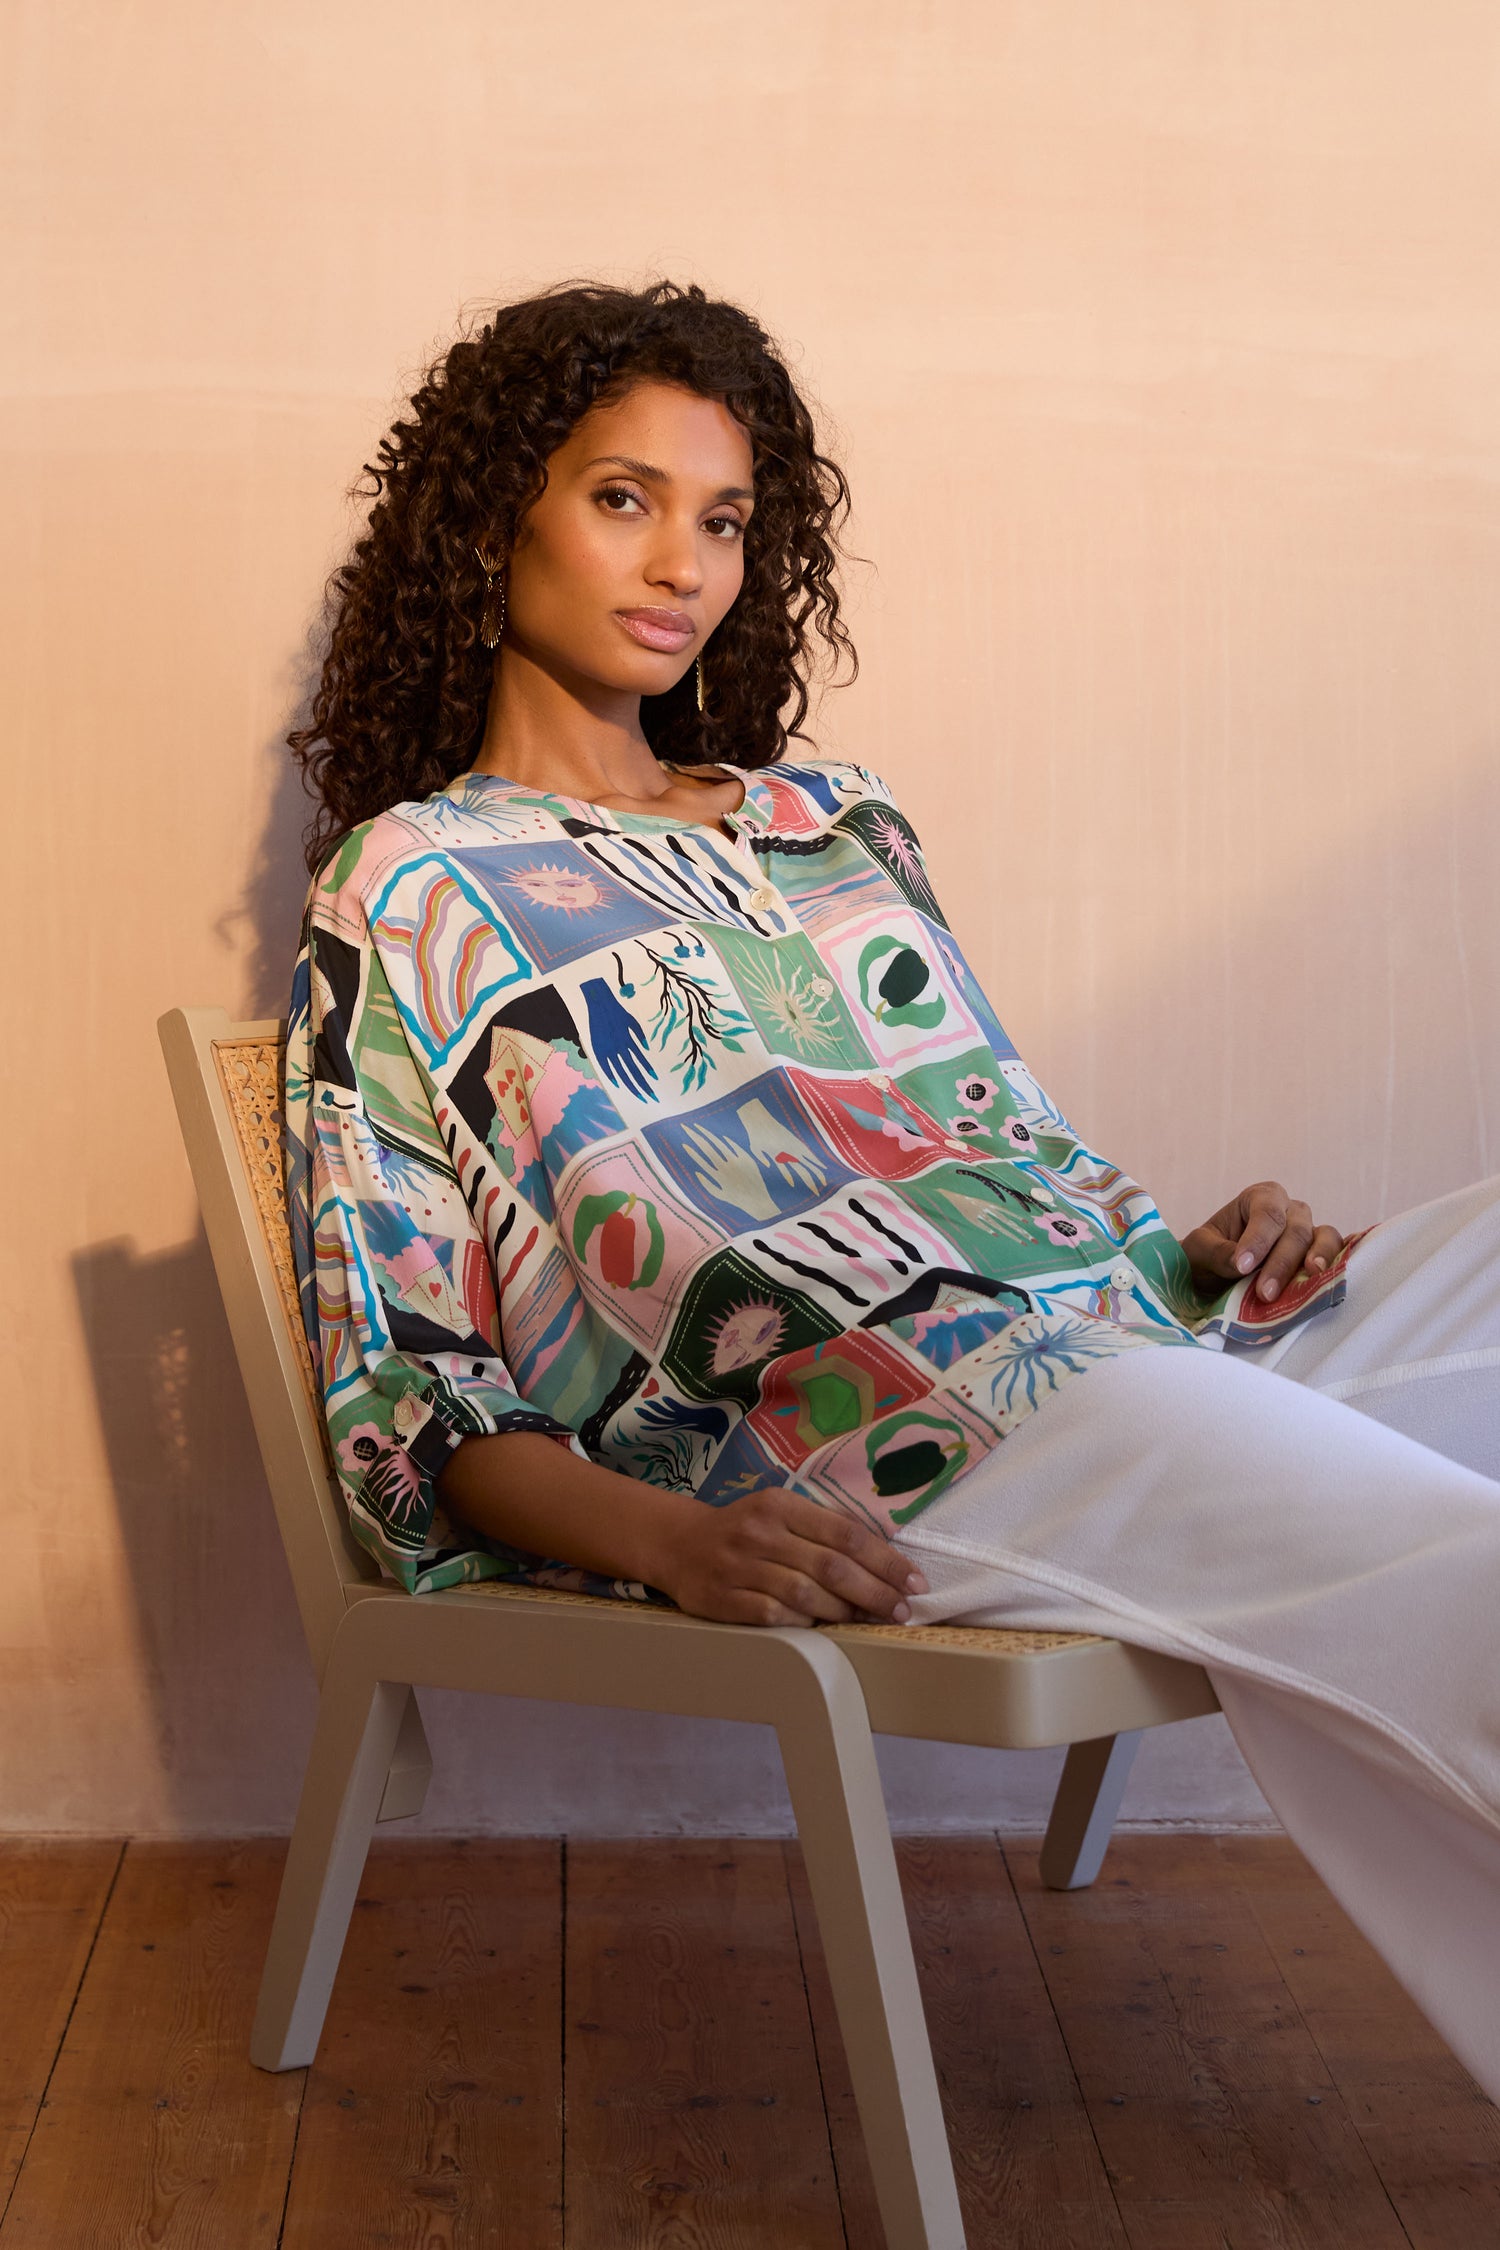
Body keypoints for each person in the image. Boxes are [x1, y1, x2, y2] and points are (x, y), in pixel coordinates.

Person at [285, 280, 1500, 2099]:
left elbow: (997, 1158)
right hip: (903, 1429)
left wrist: (1198, 1240)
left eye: (721, 517)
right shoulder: (413, 892)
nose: (680, 560)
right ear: (493, 520)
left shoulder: (834, 825)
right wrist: (675, 1540)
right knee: (1457, 1581)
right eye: (623, 497)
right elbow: (406, 1394)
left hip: (1128, 1323)